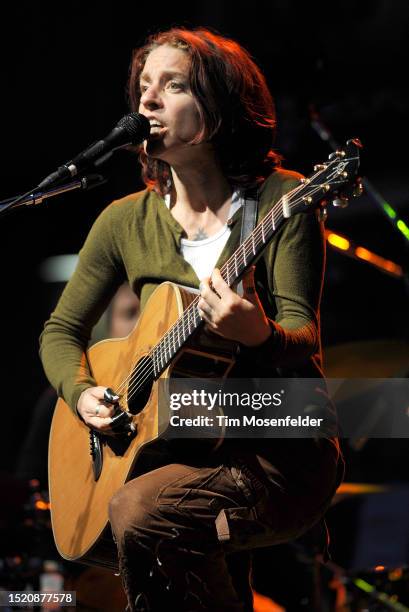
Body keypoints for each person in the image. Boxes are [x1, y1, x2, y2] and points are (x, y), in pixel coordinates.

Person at [39, 27, 343, 612]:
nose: (147, 102)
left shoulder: (283, 200)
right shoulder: (124, 220)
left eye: (172, 85)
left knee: (140, 509)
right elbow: (60, 331)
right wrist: (81, 395)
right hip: (177, 448)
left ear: (221, 106)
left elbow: (304, 335)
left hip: (278, 445)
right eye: (143, 87)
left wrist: (256, 332)